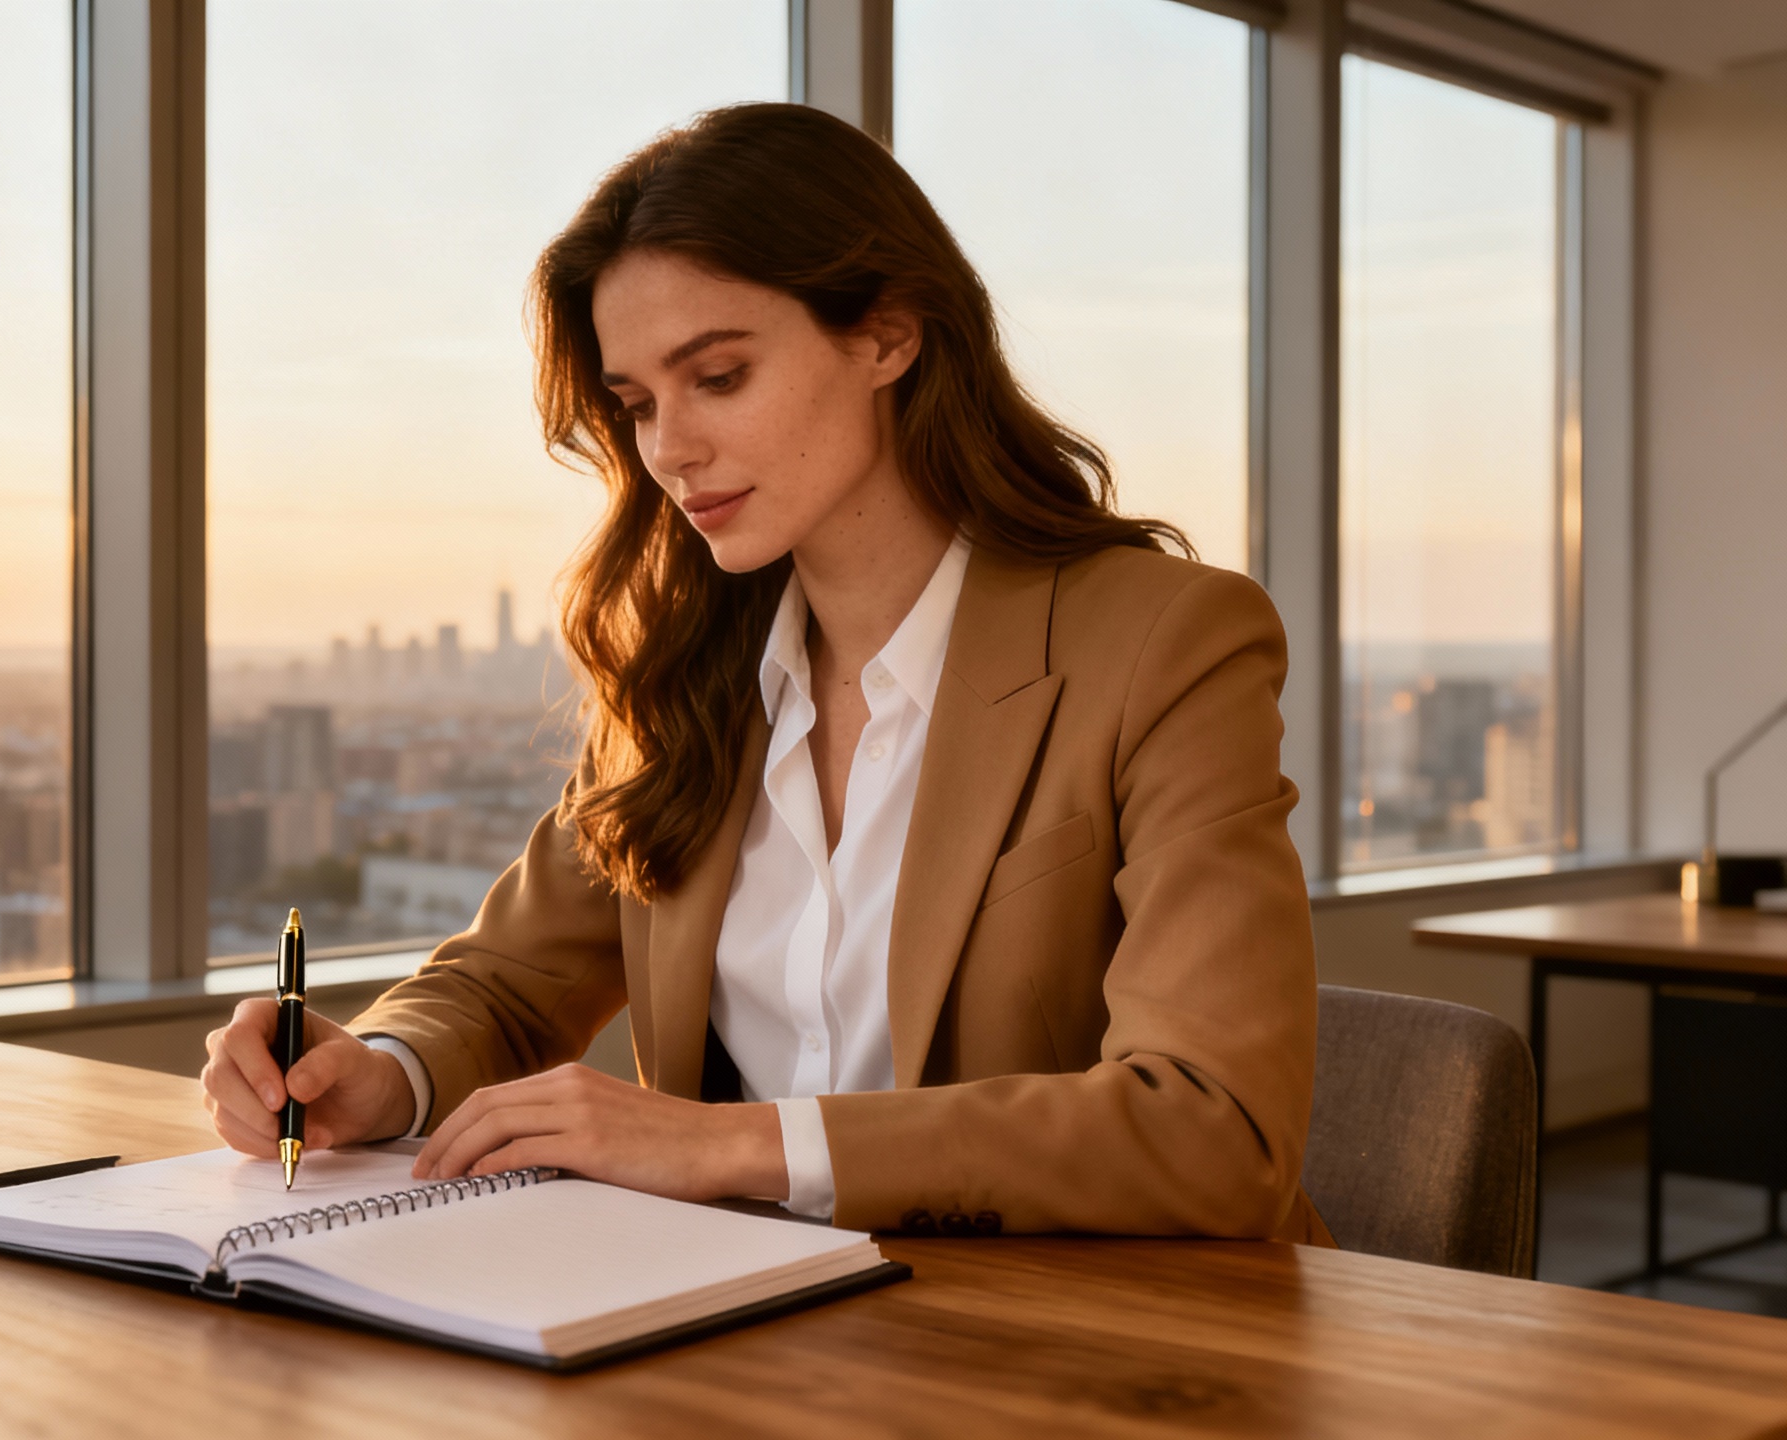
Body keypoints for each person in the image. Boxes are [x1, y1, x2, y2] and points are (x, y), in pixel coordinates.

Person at [201, 102, 1328, 1243]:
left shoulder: (1165, 643)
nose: (668, 449)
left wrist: (730, 1146)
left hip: (1107, 1356)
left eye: (720, 376)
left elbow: (1216, 1127)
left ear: (888, 334)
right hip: (754, 1346)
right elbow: (504, 982)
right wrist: (378, 1070)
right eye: (636, 404)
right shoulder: (685, 673)